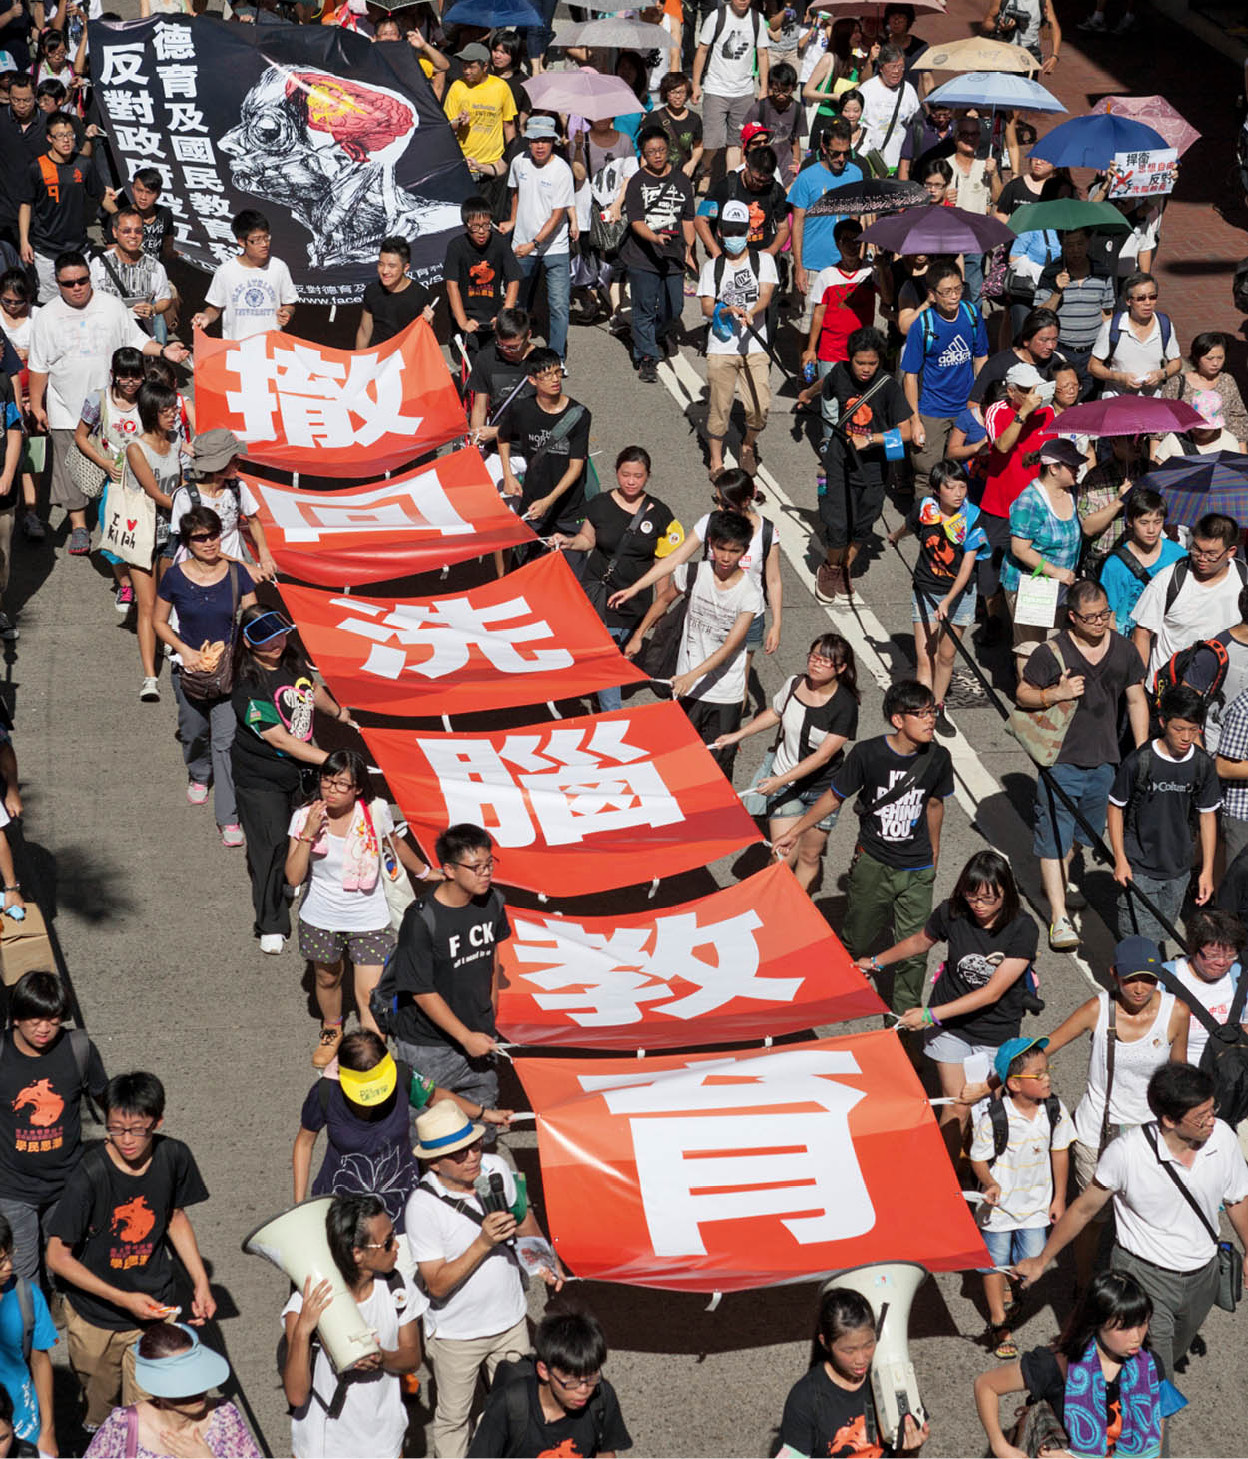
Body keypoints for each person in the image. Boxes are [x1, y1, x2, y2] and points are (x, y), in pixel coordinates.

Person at [1014, 1062, 1248, 1391]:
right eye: (1202, 1115)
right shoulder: (1127, 1153)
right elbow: (1084, 1208)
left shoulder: (1222, 1137)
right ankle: (1135, 1433)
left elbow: (1237, 1198)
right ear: (1169, 1120)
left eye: (1213, 1109)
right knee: (1155, 1380)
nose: (1212, 1120)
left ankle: (1117, 1395)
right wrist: (1041, 1259)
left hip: (1202, 1277)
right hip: (1144, 1278)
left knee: (1158, 1359)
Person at [46, 1071, 214, 1432]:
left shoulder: (174, 1156)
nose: (126, 1139)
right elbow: (57, 1257)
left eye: (137, 1129)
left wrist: (200, 1281)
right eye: (115, 1128)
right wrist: (122, 1299)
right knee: (100, 1408)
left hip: (154, 1311)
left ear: (157, 1121)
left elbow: (175, 1217)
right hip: (95, 1316)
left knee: (146, 1416)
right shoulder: (89, 1174)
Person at [775, 679, 954, 1015]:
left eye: (933, 712)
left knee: (915, 953)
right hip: (874, 863)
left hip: (917, 869)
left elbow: (934, 805)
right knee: (857, 938)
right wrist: (796, 831)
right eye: (922, 714)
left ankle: (904, 1023)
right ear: (898, 720)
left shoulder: (938, 758)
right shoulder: (868, 754)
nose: (931, 720)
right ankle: (836, 990)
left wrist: (934, 855)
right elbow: (834, 797)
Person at [406, 1103, 564, 1459]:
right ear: (435, 1163)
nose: (472, 1156)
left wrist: (544, 1260)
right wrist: (483, 1242)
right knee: (454, 1418)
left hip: (510, 1322)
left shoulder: (495, 1169)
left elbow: (522, 1220)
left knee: (523, 1410)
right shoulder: (422, 1207)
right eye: (458, 1153)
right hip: (456, 1336)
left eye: (475, 1145)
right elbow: (436, 1285)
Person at [1036, 936, 1188, 1286]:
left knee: (1146, 1214)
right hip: (1096, 1131)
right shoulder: (1098, 1009)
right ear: (1114, 975)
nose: (1139, 988)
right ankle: (1085, 1283)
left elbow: (1177, 1076)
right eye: (1131, 978)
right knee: (1093, 1218)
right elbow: (1049, 1045)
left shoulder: (1176, 1012)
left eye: (1148, 979)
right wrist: (1005, 1073)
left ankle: (1139, 1283)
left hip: (1151, 1134)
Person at [874, 851, 1038, 1160]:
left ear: (1006, 894)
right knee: (956, 1106)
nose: (979, 906)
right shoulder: (952, 912)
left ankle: (976, 1165)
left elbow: (992, 992)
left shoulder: (1023, 928)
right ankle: (945, 1173)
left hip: (995, 1030)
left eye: (989, 899)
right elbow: (919, 942)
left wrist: (929, 1015)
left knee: (985, 1111)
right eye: (972, 896)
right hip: (951, 1028)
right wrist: (875, 962)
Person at [26, 250, 185, 558]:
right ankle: (79, 527)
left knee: (120, 464)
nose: (77, 287)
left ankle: (123, 516)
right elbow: (38, 366)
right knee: (72, 468)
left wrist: (165, 353)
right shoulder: (46, 316)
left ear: (89, 277)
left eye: (82, 280)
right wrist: (37, 404)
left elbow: (137, 340)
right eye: (68, 283)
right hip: (66, 405)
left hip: (115, 403)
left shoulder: (111, 306)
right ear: (57, 284)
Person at [1018, 578, 1148, 950]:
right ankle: (1058, 915)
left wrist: (1140, 754)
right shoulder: (1052, 653)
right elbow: (1023, 694)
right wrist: (1055, 692)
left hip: (1105, 761)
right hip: (1059, 760)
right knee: (1055, 837)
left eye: (1105, 614)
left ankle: (1056, 877)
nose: (1100, 622)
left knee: (1084, 835)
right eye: (1091, 617)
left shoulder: (1123, 650)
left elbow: (1136, 701)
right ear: (1072, 617)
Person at [292, 1030, 510, 1249]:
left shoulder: (401, 1074)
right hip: (343, 1211)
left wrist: (485, 1114)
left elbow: (437, 1097)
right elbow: (304, 1143)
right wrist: (299, 1205)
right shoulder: (326, 1092)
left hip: (401, 1206)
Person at [287, 748, 435, 1066]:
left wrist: (425, 872)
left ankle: (372, 1054)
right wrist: (307, 835)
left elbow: (395, 845)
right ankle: (331, 1028)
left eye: (342, 784)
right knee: (327, 978)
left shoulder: (376, 811)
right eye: (327, 781)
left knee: (370, 993)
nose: (332, 790)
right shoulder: (304, 816)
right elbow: (294, 875)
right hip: (320, 916)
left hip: (370, 917)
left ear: (357, 789)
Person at [230, 606, 345, 954]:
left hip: (303, 776)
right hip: (261, 780)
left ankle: (290, 879)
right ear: (249, 644)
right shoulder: (248, 686)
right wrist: (332, 761)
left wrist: (340, 713)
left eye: (280, 634)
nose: (277, 644)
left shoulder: (292, 661)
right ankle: (271, 922)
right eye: (266, 640)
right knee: (269, 849)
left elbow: (311, 691)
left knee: (303, 835)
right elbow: (280, 739)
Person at [282, 1193, 425, 1459]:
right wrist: (303, 1331)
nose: (397, 1248)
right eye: (387, 1243)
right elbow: (297, 1395)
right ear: (357, 1253)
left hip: (385, 1444)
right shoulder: (305, 1301)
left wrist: (383, 1358)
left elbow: (412, 1358)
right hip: (323, 1447)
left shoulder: (399, 1288)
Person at [974, 1271, 1174, 1459]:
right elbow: (986, 1385)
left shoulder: (1150, 1366)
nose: (1136, 1337)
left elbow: (1157, 1431)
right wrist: (999, 1446)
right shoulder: (1054, 1364)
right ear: (1096, 1322)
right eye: (1124, 1328)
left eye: (1142, 1323)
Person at [715, 632, 860, 891]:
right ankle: (769, 898)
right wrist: (738, 734)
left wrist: (778, 780)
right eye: (814, 656)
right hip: (785, 784)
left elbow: (824, 755)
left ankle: (791, 905)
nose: (816, 663)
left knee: (809, 855)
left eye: (825, 661)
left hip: (823, 791)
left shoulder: (845, 706)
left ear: (841, 668)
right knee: (782, 853)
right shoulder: (795, 684)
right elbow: (775, 712)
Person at [384, 822, 509, 1116]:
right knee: (428, 1126)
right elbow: (421, 991)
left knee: (482, 1122)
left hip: (481, 1037)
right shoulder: (421, 921)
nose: (487, 872)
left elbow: (492, 956)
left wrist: (491, 1010)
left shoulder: (493, 902)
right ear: (450, 870)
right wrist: (465, 1037)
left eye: (490, 863)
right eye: (476, 866)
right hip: (429, 1047)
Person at [153, 504, 257, 845]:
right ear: (189, 542)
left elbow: (252, 615)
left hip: (227, 671)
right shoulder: (175, 577)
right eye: (200, 538)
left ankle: (228, 818)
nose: (210, 542)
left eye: (214, 535)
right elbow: (158, 621)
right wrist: (186, 651)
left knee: (225, 743)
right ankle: (199, 773)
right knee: (194, 732)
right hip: (189, 671)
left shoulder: (236, 573)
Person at [550, 445, 682, 712]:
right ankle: (613, 715)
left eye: (638, 476)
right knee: (607, 659)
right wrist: (568, 541)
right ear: (617, 473)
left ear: (648, 476)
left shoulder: (660, 514)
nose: (631, 481)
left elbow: (663, 565)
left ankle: (599, 687)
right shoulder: (600, 504)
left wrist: (660, 606)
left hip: (634, 601)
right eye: (625, 475)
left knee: (617, 656)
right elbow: (587, 539)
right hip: (599, 594)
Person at [0, 964, 107, 1289]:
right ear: (16, 1017)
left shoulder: (78, 1048)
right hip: (11, 1189)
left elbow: (107, 1100)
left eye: (54, 1018)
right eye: (35, 1019)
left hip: (67, 1185)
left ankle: (61, 1308)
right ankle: (30, 1332)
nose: (45, 1028)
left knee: (64, 1267)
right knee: (22, 1275)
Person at [969, 1037, 1072, 1360]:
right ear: (1014, 1084)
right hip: (998, 1210)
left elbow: (1060, 1152)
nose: (1047, 1078)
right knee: (994, 1263)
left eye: (1047, 1070)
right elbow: (978, 1158)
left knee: (1031, 1259)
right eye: (1037, 1074)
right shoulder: (996, 1117)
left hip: (1036, 1208)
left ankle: (1011, 1290)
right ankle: (999, 1321)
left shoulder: (1054, 1110)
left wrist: (1059, 1198)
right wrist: (988, 1182)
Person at [639, 509, 761, 771]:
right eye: (721, 548)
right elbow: (663, 600)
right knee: (678, 757)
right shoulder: (693, 573)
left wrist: (691, 676)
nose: (726, 557)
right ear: (711, 545)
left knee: (715, 767)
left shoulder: (749, 594)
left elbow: (730, 647)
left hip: (724, 694)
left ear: (745, 551)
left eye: (735, 551)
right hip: (687, 687)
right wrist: (639, 636)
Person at [797, 325, 911, 603]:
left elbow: (905, 432)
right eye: (860, 362)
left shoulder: (889, 387)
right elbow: (827, 383)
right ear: (850, 359)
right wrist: (808, 393)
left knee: (862, 525)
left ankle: (845, 569)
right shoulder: (840, 372)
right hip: (839, 463)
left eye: (873, 363)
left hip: (873, 470)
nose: (866, 369)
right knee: (837, 525)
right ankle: (830, 567)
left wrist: (872, 438)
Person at [1108, 685, 1220, 949]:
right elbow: (1115, 807)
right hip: (1139, 867)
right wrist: (1121, 860)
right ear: (1162, 722)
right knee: (1139, 942)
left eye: (1193, 730)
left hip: (1178, 870)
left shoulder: (1202, 765)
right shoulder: (1139, 761)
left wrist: (1206, 872)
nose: (1186, 737)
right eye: (1179, 729)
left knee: (1160, 935)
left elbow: (1207, 817)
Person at [777, 1286, 930, 1457]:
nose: (861, 1359)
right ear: (825, 1342)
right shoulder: (805, 1398)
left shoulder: (894, 1379)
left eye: (869, 1345)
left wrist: (910, 1449)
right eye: (849, 1351)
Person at [888, 460, 985, 728]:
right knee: (925, 655)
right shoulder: (924, 508)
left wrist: (948, 600)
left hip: (959, 594)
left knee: (946, 655)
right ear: (935, 489)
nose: (957, 492)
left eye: (962, 486)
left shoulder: (973, 517)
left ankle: (938, 705)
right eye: (950, 486)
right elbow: (909, 526)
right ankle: (924, 711)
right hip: (925, 589)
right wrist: (896, 535)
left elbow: (968, 565)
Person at [468, 1304, 632, 1458]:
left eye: (590, 1376)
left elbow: (604, 1453)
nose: (583, 1389)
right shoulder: (509, 1405)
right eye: (572, 1380)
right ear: (544, 1371)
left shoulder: (601, 1396)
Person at [85, 1322, 260, 1458]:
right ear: (155, 1389)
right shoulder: (123, 1425)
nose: (196, 1389)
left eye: (197, 1375)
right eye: (181, 1384)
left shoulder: (225, 1416)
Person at [697, 200, 777, 479]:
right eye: (729, 231)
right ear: (720, 232)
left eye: (739, 231)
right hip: (721, 348)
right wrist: (726, 309)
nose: (733, 237)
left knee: (760, 406)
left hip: (755, 346)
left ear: (748, 231)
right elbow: (706, 307)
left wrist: (752, 312)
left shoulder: (763, 261)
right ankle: (716, 461)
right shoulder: (713, 267)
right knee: (720, 406)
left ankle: (747, 445)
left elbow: (765, 295)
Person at [1131, 513, 1247, 689]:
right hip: (1170, 693)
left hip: (1219, 693)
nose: (1201, 558)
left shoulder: (1243, 578)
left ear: (1231, 551)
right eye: (1197, 549)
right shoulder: (1169, 580)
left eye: (1211, 554)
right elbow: (1142, 634)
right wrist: (1137, 690)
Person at [800, 220, 892, 440]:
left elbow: (888, 298)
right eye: (845, 241)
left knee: (860, 404)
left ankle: (855, 446)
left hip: (862, 353)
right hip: (831, 351)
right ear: (837, 243)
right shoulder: (826, 275)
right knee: (830, 404)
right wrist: (811, 349)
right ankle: (830, 448)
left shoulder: (870, 273)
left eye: (856, 241)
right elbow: (818, 314)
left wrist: (883, 269)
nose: (851, 245)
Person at [619, 126, 695, 384]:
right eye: (651, 152)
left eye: (661, 150)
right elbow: (636, 222)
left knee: (675, 307)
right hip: (643, 256)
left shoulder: (682, 180)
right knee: (643, 308)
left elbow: (688, 219)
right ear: (644, 154)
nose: (658, 156)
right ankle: (646, 357)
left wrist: (690, 251)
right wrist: (655, 237)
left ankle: (653, 335)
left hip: (673, 256)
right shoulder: (637, 182)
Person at [900, 261, 988, 483]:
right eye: (947, 291)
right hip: (933, 411)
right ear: (932, 294)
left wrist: (980, 401)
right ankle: (924, 516)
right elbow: (909, 376)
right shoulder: (923, 325)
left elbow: (980, 358)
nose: (954, 296)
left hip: (966, 407)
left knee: (966, 470)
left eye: (958, 289)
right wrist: (915, 420)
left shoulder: (972, 315)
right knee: (927, 473)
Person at [123, 381, 183, 703]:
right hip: (143, 533)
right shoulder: (137, 448)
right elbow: (157, 493)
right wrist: (190, 506)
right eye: (167, 410)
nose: (174, 414)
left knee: (167, 597)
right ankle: (149, 677)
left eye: (174, 408)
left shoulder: (175, 441)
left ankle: (169, 644)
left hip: (171, 533)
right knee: (146, 606)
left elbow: (183, 482)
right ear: (151, 412)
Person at [999, 437, 1085, 661]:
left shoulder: (1071, 493)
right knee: (1030, 647)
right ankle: (1028, 694)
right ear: (1054, 468)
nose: (1077, 469)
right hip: (1031, 583)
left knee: (1054, 641)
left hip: (1060, 585)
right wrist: (1056, 572)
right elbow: (1020, 549)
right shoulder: (1029, 501)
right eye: (1072, 465)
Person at [17, 112, 111, 303]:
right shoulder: (37, 167)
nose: (66, 140)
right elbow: (26, 205)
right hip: (46, 247)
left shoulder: (84, 164)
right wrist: (24, 240)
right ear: (49, 138)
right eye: (60, 136)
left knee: (81, 297)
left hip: (79, 246)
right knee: (49, 301)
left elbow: (100, 195)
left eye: (70, 135)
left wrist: (122, 216)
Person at [497, 346, 591, 537]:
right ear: (532, 380)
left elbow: (575, 468)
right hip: (533, 504)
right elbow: (502, 436)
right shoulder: (521, 409)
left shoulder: (579, 415)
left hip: (568, 510)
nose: (555, 379)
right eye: (547, 375)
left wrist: (548, 501)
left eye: (558, 372)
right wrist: (508, 475)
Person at [503, 116, 575, 361]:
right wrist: (513, 221)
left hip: (554, 247)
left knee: (558, 305)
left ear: (553, 142)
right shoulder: (518, 162)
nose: (540, 146)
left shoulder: (561, 170)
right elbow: (516, 194)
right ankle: (517, 352)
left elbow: (557, 215)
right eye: (535, 141)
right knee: (517, 302)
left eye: (545, 140)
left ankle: (556, 358)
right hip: (521, 243)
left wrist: (534, 244)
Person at [786, 121, 866, 321]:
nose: (841, 159)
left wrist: (858, 257)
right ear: (823, 148)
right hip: (812, 263)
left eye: (846, 153)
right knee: (807, 325)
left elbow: (855, 220)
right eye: (835, 153)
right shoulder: (807, 177)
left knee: (839, 322)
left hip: (843, 263)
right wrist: (799, 266)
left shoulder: (856, 174)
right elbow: (797, 223)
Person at [691, 0, 770, 180]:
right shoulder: (716, 17)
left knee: (736, 143)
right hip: (716, 88)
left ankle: (731, 184)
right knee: (712, 141)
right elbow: (702, 50)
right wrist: (696, 84)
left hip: (744, 91)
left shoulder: (757, 19)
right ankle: (705, 169)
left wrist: (763, 88)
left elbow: (763, 54)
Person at [191, 210, 297, 340]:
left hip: (270, 345)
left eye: (266, 237)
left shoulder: (279, 267)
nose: (264, 244)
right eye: (257, 240)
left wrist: (287, 312)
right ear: (242, 242)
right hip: (236, 346)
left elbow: (289, 304)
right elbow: (215, 307)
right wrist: (206, 316)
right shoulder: (226, 271)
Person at [1165, 909, 1247, 1071]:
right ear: (1193, 948)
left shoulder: (1240, 978)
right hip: (1186, 1078)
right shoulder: (1165, 981)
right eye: (1213, 955)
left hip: (1233, 1078)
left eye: (1231, 955)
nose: (1222, 962)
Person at [0, 1218, 55, 1457]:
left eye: (9, 1255)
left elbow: (40, 1361)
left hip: (24, 1427)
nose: (9, 1266)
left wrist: (48, 1431)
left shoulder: (27, 1295)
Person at [1097, 484, 1182, 634]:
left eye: (1157, 522)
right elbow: (1109, 615)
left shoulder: (1178, 555)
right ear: (1130, 522)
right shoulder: (1115, 565)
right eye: (1144, 523)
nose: (1151, 530)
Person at [1035, 228, 1115, 386]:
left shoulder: (1102, 271)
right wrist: (1057, 291)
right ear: (1062, 246)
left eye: (1080, 243)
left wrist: (1109, 350)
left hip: (1093, 353)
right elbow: (1040, 316)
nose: (1076, 250)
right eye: (1070, 245)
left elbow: (1107, 315)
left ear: (1088, 243)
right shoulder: (1050, 273)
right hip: (1061, 352)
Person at [1088, 271, 1180, 401]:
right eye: (1141, 298)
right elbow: (1093, 366)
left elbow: (1176, 362)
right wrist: (1119, 378)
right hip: (1117, 401)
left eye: (1152, 297)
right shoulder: (1112, 328)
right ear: (1128, 301)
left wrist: (1161, 374)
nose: (1148, 303)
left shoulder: (1164, 325)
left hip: (1152, 402)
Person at [446, 197, 522, 353]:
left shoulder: (500, 243)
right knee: (472, 366)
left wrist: (505, 314)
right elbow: (451, 285)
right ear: (466, 225)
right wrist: (462, 322)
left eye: (486, 226)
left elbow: (514, 279)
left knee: (495, 366)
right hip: (467, 315)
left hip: (493, 317)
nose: (481, 232)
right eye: (475, 227)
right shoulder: (456, 246)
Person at [695, 143, 791, 263]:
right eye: (756, 180)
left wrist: (772, 250)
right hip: (728, 259)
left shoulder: (775, 190)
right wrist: (716, 252)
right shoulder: (725, 187)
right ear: (746, 167)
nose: (760, 185)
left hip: (760, 260)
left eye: (764, 181)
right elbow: (700, 220)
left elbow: (784, 228)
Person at [444, 42, 518, 193]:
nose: (466, 71)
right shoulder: (457, 87)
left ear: (485, 67)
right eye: (464, 66)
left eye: (472, 67)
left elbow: (508, 125)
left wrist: (510, 159)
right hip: (465, 166)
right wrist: (458, 121)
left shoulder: (501, 87)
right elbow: (447, 128)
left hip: (492, 168)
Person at [88, 206, 171, 340]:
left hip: (143, 338)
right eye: (126, 231)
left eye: (138, 231)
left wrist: (153, 309)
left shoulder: (156, 267)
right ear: (115, 232)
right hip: (107, 337)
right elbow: (90, 298)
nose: (133, 236)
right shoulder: (98, 264)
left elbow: (165, 299)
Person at [1160, 330, 1248, 451]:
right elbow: (1162, 421)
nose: (1215, 363)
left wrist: (1242, 455)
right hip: (1186, 449)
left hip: (1221, 448)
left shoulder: (1227, 381)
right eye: (1209, 358)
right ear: (1197, 357)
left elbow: (1238, 418)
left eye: (1220, 358)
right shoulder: (1178, 383)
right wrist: (1155, 460)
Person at [1076, 433, 1148, 573]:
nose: (1137, 443)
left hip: (1142, 558)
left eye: (1141, 438)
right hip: (1104, 559)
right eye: (1131, 439)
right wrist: (1118, 502)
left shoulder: (1150, 471)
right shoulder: (1096, 478)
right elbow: (1088, 527)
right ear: (1114, 442)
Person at [354, 236, 433, 349]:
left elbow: (426, 337)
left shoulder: (420, 294)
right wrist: (358, 361)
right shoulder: (372, 291)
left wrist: (428, 322)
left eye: (392, 266)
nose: (385, 271)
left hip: (405, 357)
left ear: (405, 267)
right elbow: (364, 331)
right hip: (378, 357)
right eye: (381, 264)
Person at [856, 42, 920, 176]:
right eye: (892, 67)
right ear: (881, 67)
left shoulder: (908, 90)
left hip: (898, 166)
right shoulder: (867, 90)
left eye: (901, 67)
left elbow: (915, 125)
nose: (897, 71)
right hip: (871, 163)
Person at [652, 72, 704, 179]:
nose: (678, 97)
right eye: (673, 92)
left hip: (683, 174)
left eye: (682, 92)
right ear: (666, 94)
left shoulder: (694, 119)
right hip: (659, 174)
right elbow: (646, 149)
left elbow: (698, 146)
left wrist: (692, 163)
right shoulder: (654, 118)